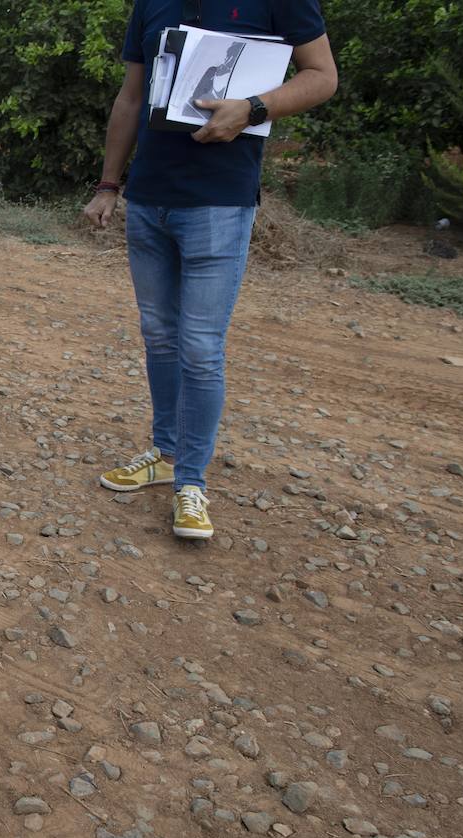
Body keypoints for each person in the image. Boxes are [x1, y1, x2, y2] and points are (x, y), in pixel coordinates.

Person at [85, 0, 337, 539]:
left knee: (200, 347)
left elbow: (322, 77)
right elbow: (131, 96)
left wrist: (255, 107)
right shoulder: (151, 3)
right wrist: (109, 184)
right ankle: (167, 453)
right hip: (149, 199)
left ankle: (191, 483)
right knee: (159, 336)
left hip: (220, 204)